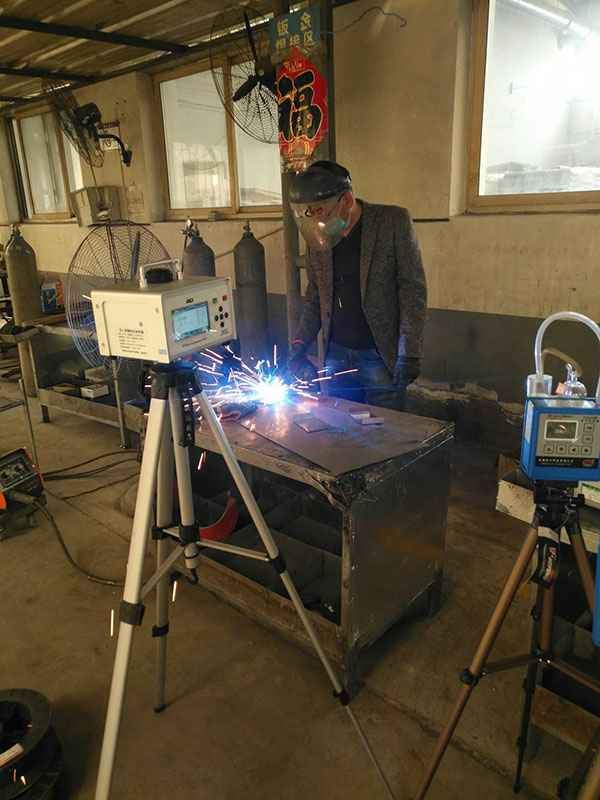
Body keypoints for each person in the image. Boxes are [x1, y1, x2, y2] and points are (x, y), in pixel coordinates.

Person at [287, 160, 427, 411]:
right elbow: (316, 296)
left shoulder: (392, 222)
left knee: (385, 427)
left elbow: (412, 290)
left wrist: (410, 351)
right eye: (310, 213)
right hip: (336, 354)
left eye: (321, 211)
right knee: (342, 425)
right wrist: (299, 346)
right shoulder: (318, 236)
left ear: (347, 200)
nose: (316, 219)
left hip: (379, 354)